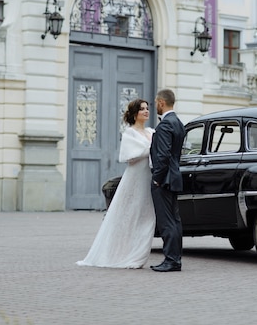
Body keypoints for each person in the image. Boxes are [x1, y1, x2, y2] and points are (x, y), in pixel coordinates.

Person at [76, 99, 156, 269]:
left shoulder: (152, 131)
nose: (146, 111)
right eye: (142, 109)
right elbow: (129, 156)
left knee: (147, 217)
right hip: (135, 180)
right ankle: (120, 254)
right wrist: (151, 148)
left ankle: (138, 256)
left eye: (147, 108)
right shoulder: (129, 134)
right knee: (126, 216)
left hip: (149, 179)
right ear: (135, 113)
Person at [149, 89, 185, 272]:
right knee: (175, 220)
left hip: (164, 180)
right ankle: (175, 259)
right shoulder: (178, 123)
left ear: (161, 102)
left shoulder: (164, 126)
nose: (155, 105)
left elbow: (162, 156)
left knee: (166, 222)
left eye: (156, 102)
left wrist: (156, 179)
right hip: (175, 177)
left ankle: (171, 260)